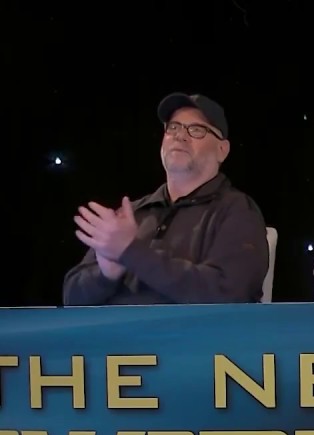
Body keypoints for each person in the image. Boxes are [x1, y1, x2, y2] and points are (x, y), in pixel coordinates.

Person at [63, 93, 269, 305]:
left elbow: (228, 293)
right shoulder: (131, 215)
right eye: (173, 127)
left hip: (188, 328)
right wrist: (105, 274)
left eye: (196, 129)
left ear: (222, 150)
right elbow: (71, 299)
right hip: (117, 327)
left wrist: (131, 252)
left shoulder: (237, 211)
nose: (180, 136)